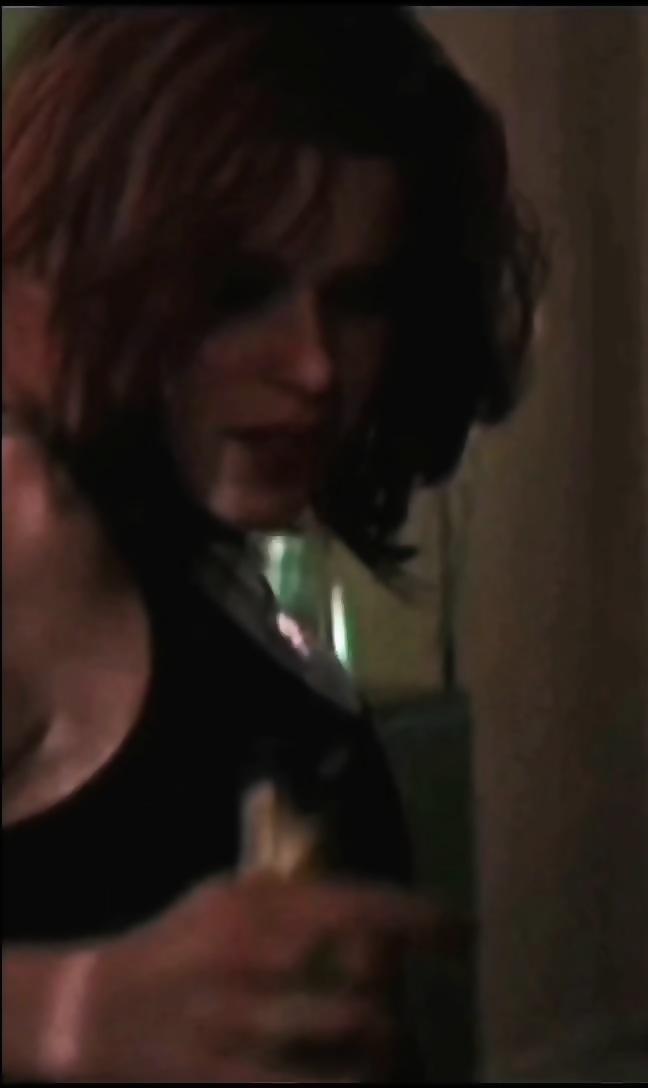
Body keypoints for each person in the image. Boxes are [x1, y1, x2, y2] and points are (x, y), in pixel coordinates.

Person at [1, 9, 543, 1081]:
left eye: (358, 297)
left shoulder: (192, 557)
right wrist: (70, 1013)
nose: (313, 365)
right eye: (238, 292)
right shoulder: (25, 533)